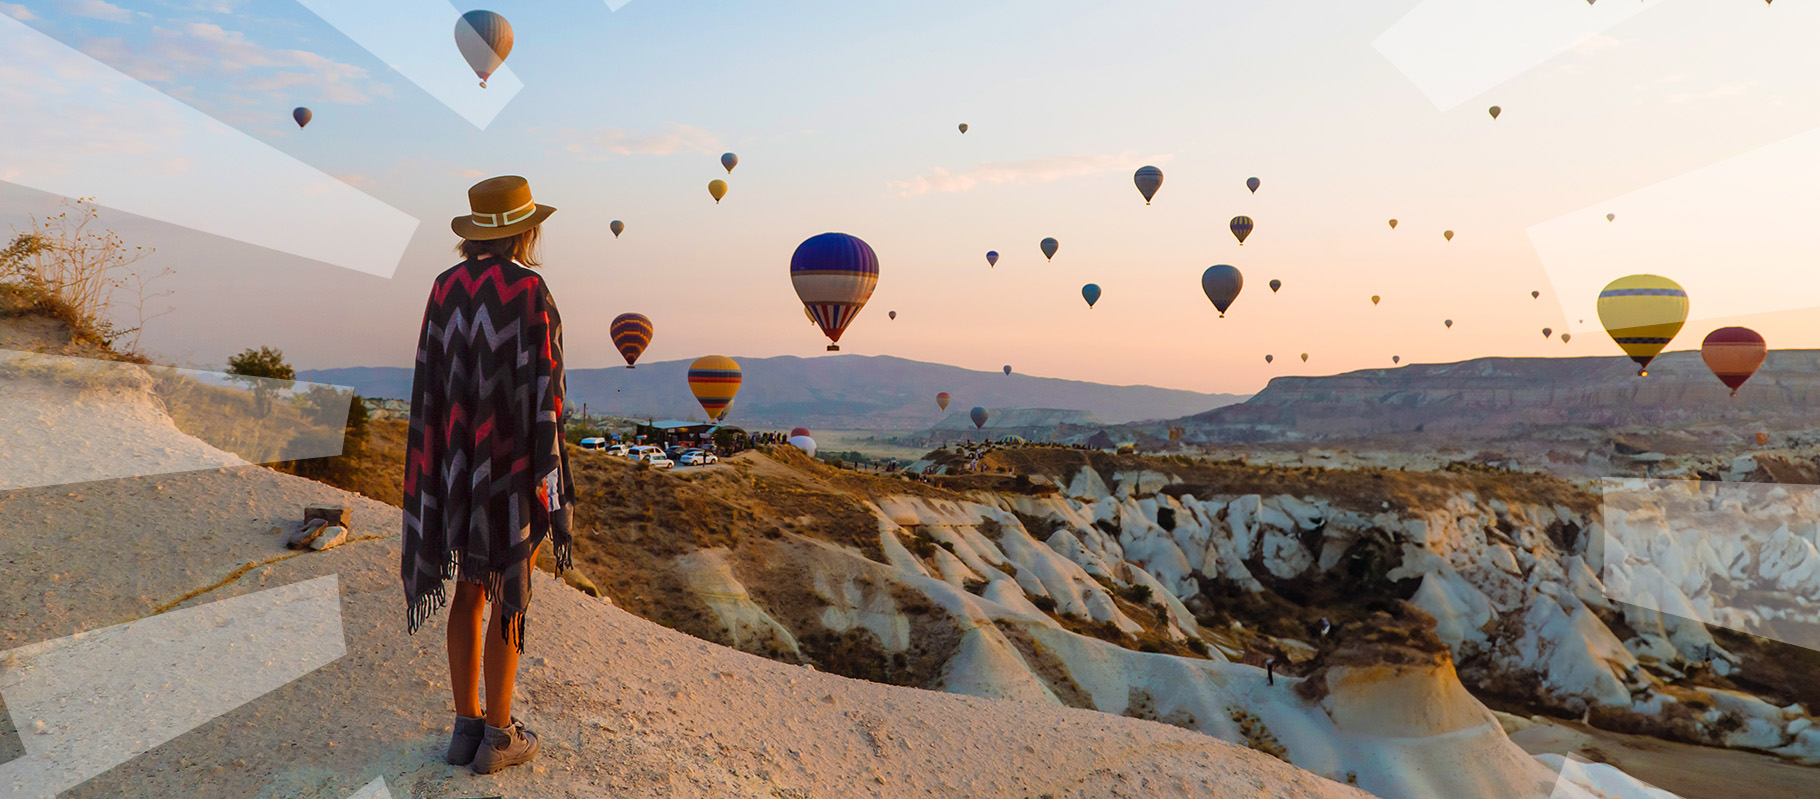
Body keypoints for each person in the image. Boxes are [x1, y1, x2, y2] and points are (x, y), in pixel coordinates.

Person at [401, 175, 574, 775]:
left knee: (468, 589)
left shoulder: (443, 287)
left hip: (454, 460)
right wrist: (547, 475)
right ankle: (500, 736)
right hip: (509, 464)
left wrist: (441, 457)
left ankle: (465, 727)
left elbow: (430, 377)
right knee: (508, 592)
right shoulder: (531, 291)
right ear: (527, 230)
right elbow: (546, 391)